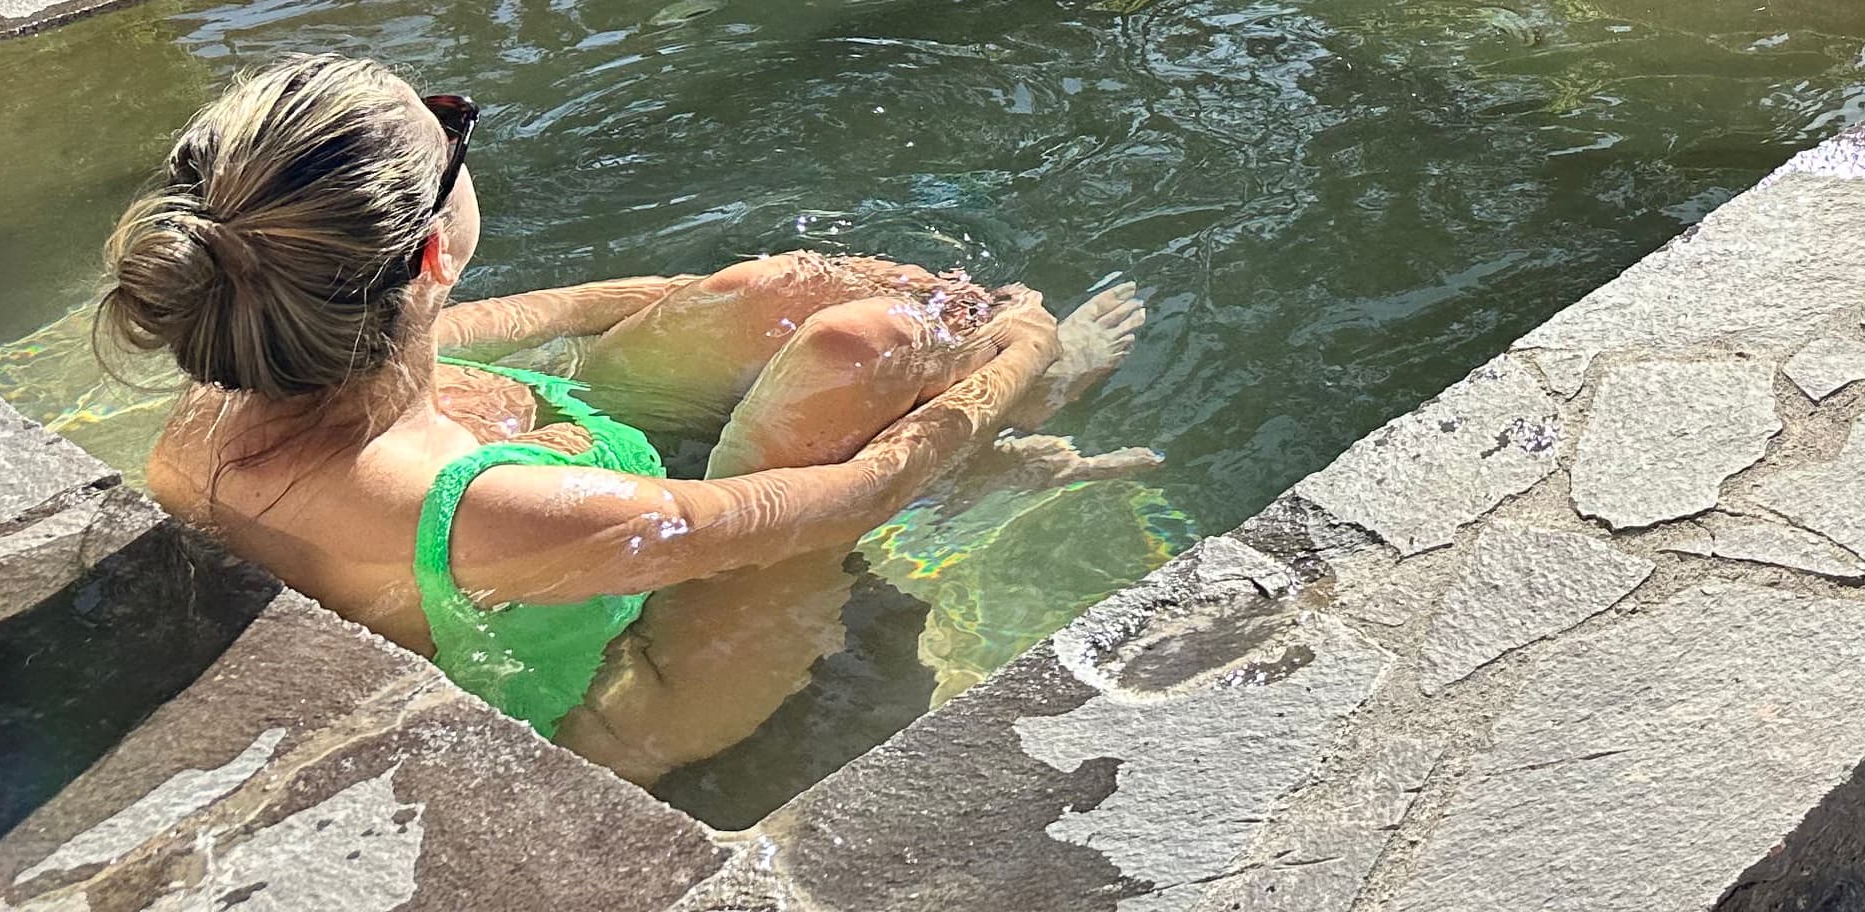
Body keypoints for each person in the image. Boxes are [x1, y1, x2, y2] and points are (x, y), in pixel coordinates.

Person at [98, 54, 1145, 784]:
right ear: (432, 255)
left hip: (534, 503)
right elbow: (839, 503)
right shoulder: (481, 512)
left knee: (790, 300)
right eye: (453, 128)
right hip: (627, 692)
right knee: (867, 352)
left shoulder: (246, 359)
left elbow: (554, 312)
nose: (461, 121)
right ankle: (1014, 422)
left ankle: (958, 370)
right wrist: (1019, 361)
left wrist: (728, 292)